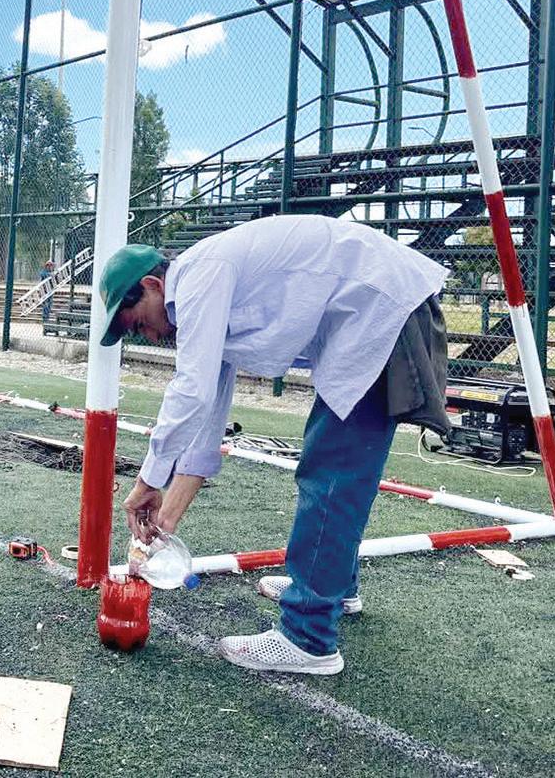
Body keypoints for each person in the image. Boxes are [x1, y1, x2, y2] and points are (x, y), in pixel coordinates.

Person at [100, 215, 451, 676]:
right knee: (334, 467)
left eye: (138, 323)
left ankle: (308, 636)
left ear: (152, 285)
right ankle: (331, 589)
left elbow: (192, 391)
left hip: (383, 313)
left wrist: (148, 480)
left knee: (331, 472)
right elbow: (207, 422)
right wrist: (164, 521)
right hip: (375, 312)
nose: (147, 336)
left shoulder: (201, 277)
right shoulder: (204, 291)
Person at [39, 260, 56, 324]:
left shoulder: (52, 272)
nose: (49, 267)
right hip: (44, 290)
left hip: (50, 290)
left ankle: (47, 316)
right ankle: (45, 317)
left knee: (49, 304)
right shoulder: (44, 272)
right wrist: (50, 274)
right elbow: (43, 274)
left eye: (51, 265)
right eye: (48, 265)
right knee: (45, 304)